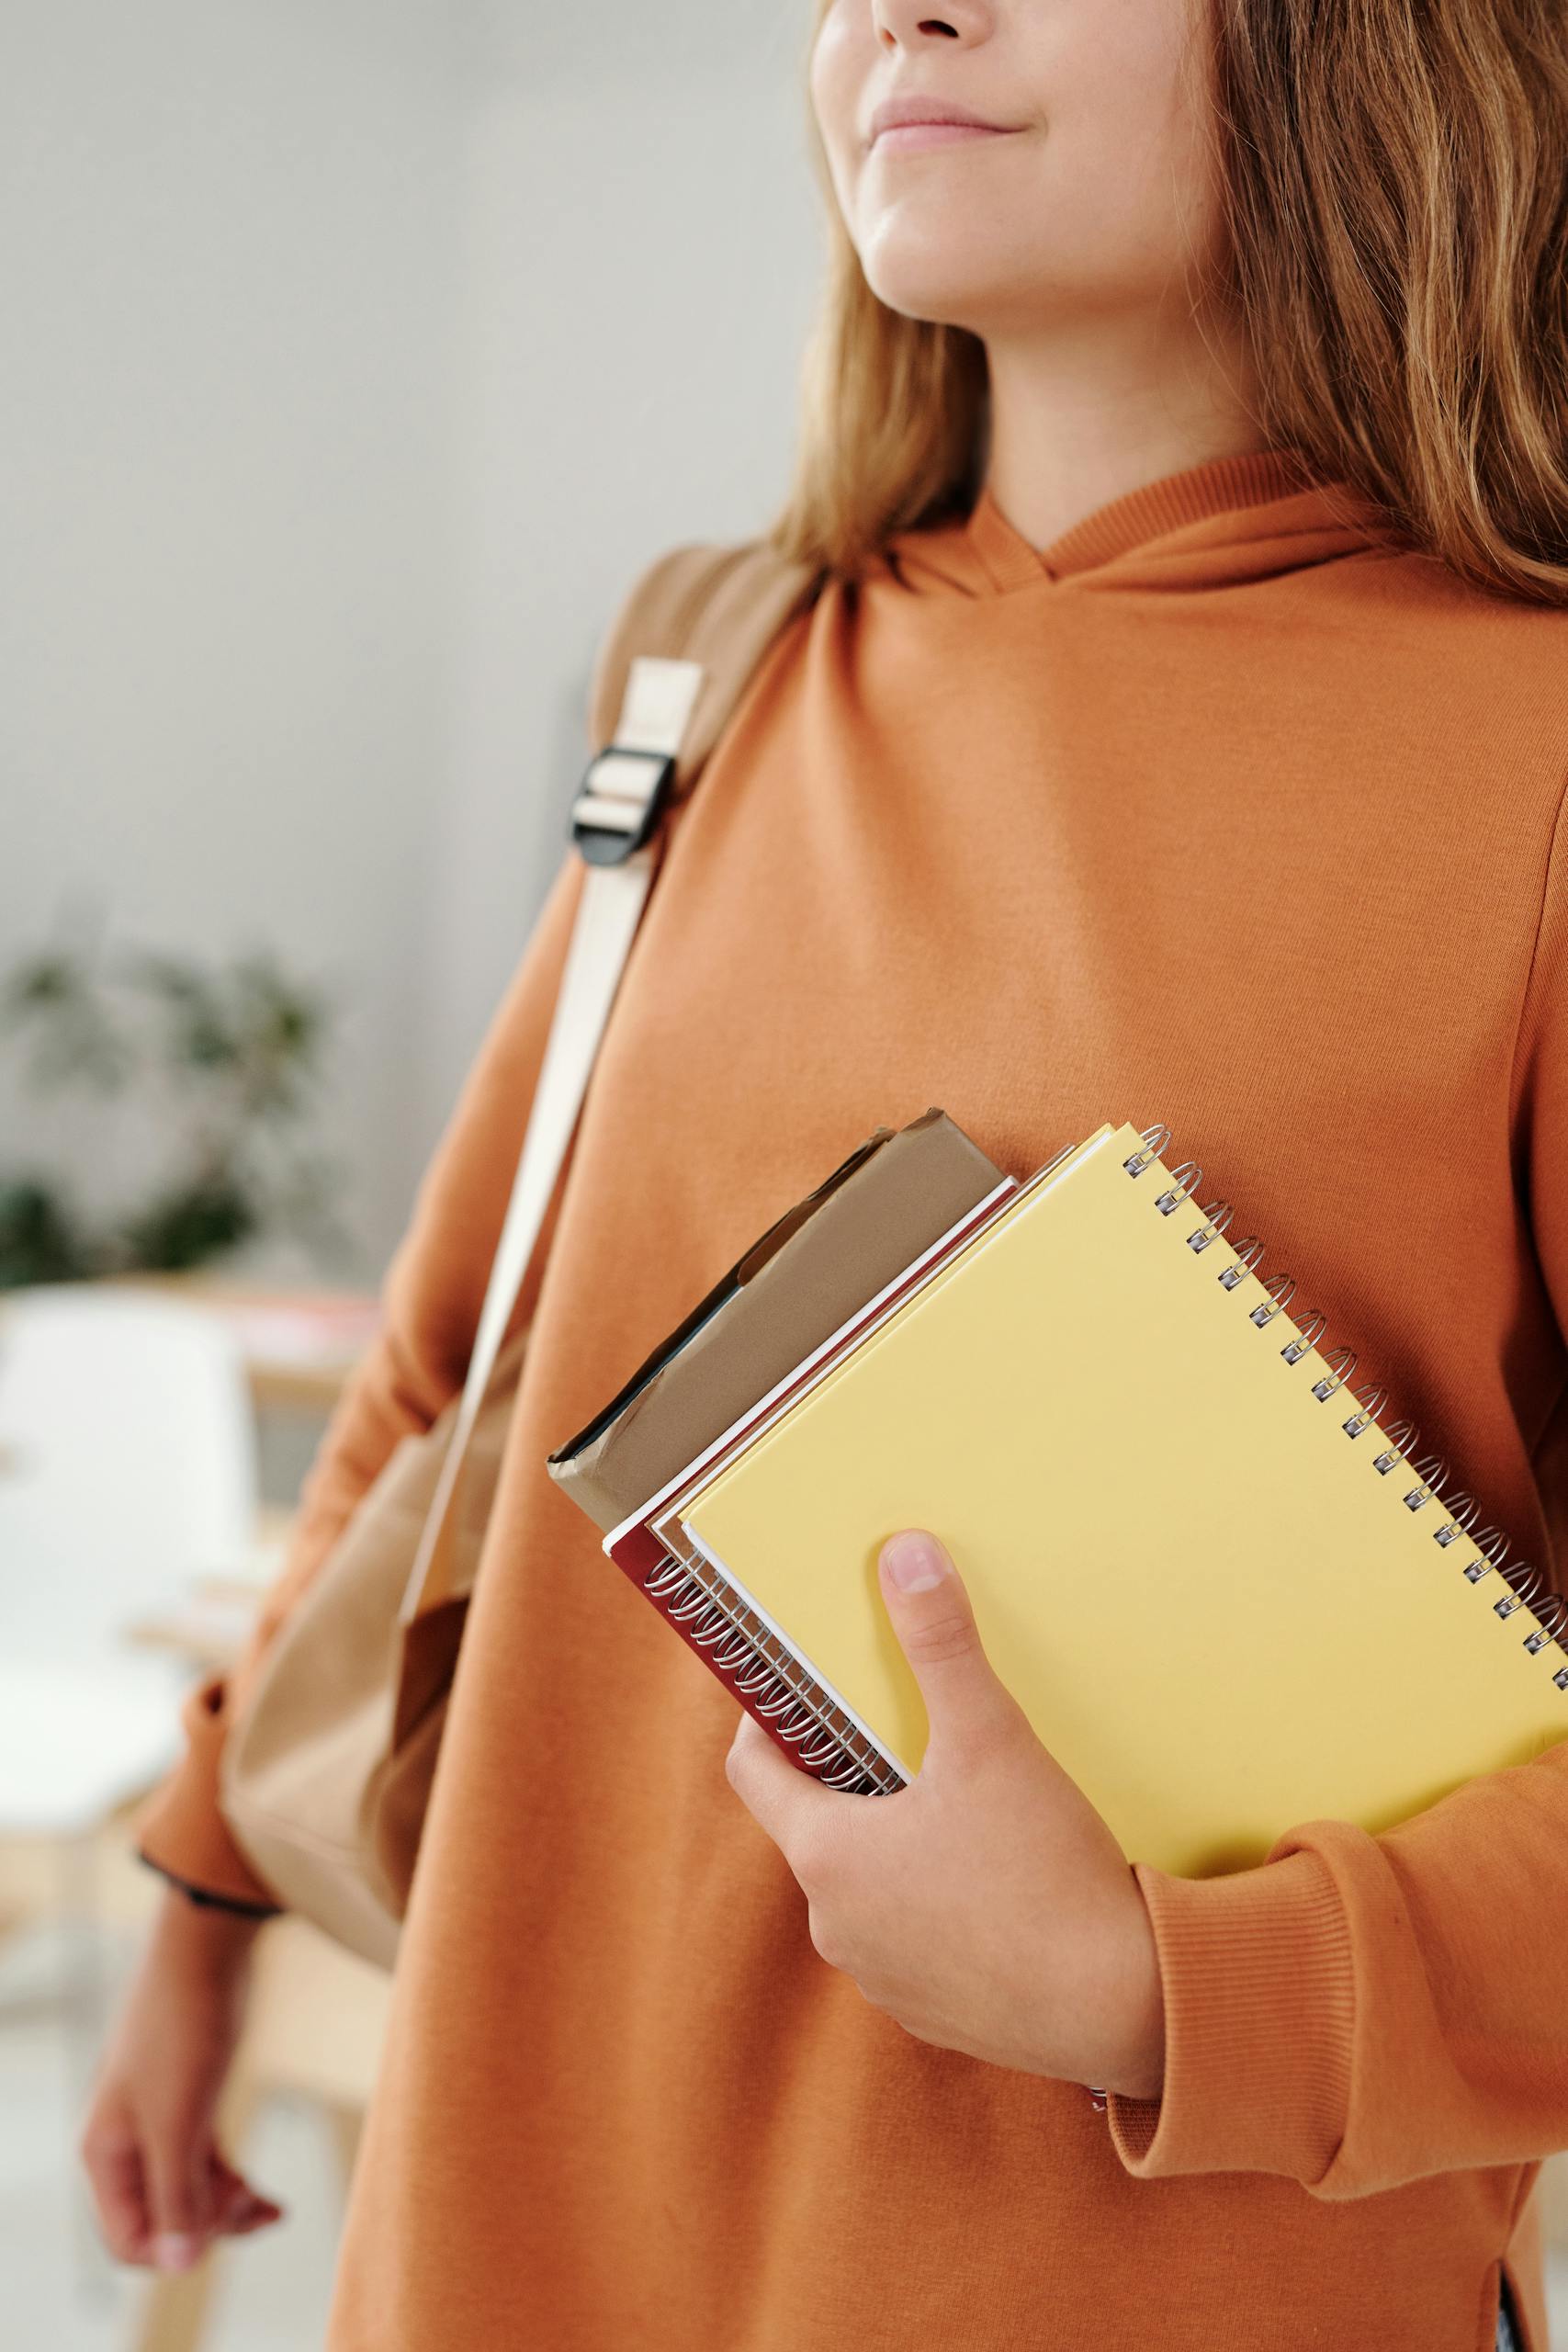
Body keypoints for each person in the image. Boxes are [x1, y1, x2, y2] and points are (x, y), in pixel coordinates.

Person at [81, 2, 1568, 2346]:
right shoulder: (714, 667)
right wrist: (204, 1891)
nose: (903, 5)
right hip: (505, 2223)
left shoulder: (1532, 758)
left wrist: (1164, 1977)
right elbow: (458, 1352)